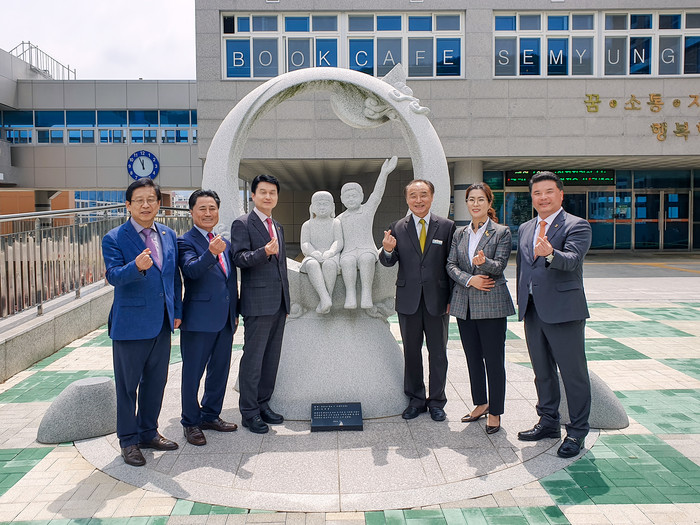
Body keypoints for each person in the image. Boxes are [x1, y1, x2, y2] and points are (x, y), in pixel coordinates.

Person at [102, 178, 182, 467]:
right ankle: (128, 441)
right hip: (130, 324)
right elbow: (113, 276)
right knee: (127, 387)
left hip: (162, 322)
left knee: (156, 382)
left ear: (159, 204)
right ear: (128, 205)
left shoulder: (168, 234)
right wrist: (135, 267)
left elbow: (173, 277)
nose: (145, 205)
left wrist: (176, 310)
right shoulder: (114, 237)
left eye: (151, 200)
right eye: (139, 200)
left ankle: (148, 432)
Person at [516, 171, 592, 458]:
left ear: (561, 194)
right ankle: (548, 422)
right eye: (537, 193)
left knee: (573, 374)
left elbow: (572, 260)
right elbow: (524, 268)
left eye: (549, 192)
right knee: (542, 372)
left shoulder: (577, 225)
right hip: (533, 309)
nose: (543, 197)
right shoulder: (526, 227)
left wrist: (550, 253)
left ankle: (577, 431)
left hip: (564, 311)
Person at [379, 179, 455, 421]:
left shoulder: (447, 227)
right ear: (407, 199)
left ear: (431, 197)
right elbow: (388, 261)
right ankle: (416, 400)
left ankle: (437, 401)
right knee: (411, 352)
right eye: (413, 195)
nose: (418, 200)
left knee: (438, 353)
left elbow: (452, 264)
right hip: (408, 300)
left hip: (437, 300)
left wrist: (452, 298)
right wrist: (387, 250)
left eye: (423, 195)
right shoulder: (397, 227)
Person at [446, 183, 515, 435]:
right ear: (466, 203)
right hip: (465, 305)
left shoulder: (501, 232)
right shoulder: (459, 233)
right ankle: (481, 403)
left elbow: (500, 266)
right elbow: (450, 264)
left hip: (491, 304)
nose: (475, 204)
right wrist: (469, 279)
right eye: (471, 200)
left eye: (480, 200)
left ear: (489, 203)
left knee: (494, 360)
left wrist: (484, 263)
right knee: (473, 357)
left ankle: (495, 411)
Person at [177, 189, 239, 446]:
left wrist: (234, 312)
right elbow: (191, 271)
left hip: (225, 318)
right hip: (198, 319)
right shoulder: (185, 241)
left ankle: (211, 415)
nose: (208, 213)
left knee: (220, 370)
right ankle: (190, 422)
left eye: (212, 208)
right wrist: (211, 253)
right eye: (202, 208)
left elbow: (229, 280)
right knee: (193, 373)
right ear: (192, 211)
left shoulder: (223, 241)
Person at [231, 174, 290, 434]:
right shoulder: (243, 223)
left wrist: (287, 302)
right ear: (253, 195)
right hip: (257, 303)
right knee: (253, 360)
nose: (268, 196)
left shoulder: (277, 226)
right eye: (263, 192)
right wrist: (263, 252)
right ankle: (249, 412)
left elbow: (281, 267)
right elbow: (239, 258)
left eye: (272, 193)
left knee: (270, 359)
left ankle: (263, 404)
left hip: (278, 304)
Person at [339, 156, 397, 310]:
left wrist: (384, 173)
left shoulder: (367, 210)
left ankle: (366, 294)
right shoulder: (339, 219)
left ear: (362, 197)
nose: (351, 199)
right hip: (348, 251)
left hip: (367, 249)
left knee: (366, 259)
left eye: (354, 195)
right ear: (342, 199)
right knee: (347, 262)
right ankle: (350, 295)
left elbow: (377, 194)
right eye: (347, 196)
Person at [300, 191, 343, 314]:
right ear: (312, 207)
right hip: (313, 255)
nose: (322, 207)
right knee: (311, 264)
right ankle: (324, 297)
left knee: (329, 265)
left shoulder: (335, 223)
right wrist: (313, 252)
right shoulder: (307, 225)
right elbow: (305, 243)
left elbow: (338, 241)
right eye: (319, 204)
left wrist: (331, 251)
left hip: (331, 256)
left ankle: (327, 297)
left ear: (332, 207)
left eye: (325, 204)